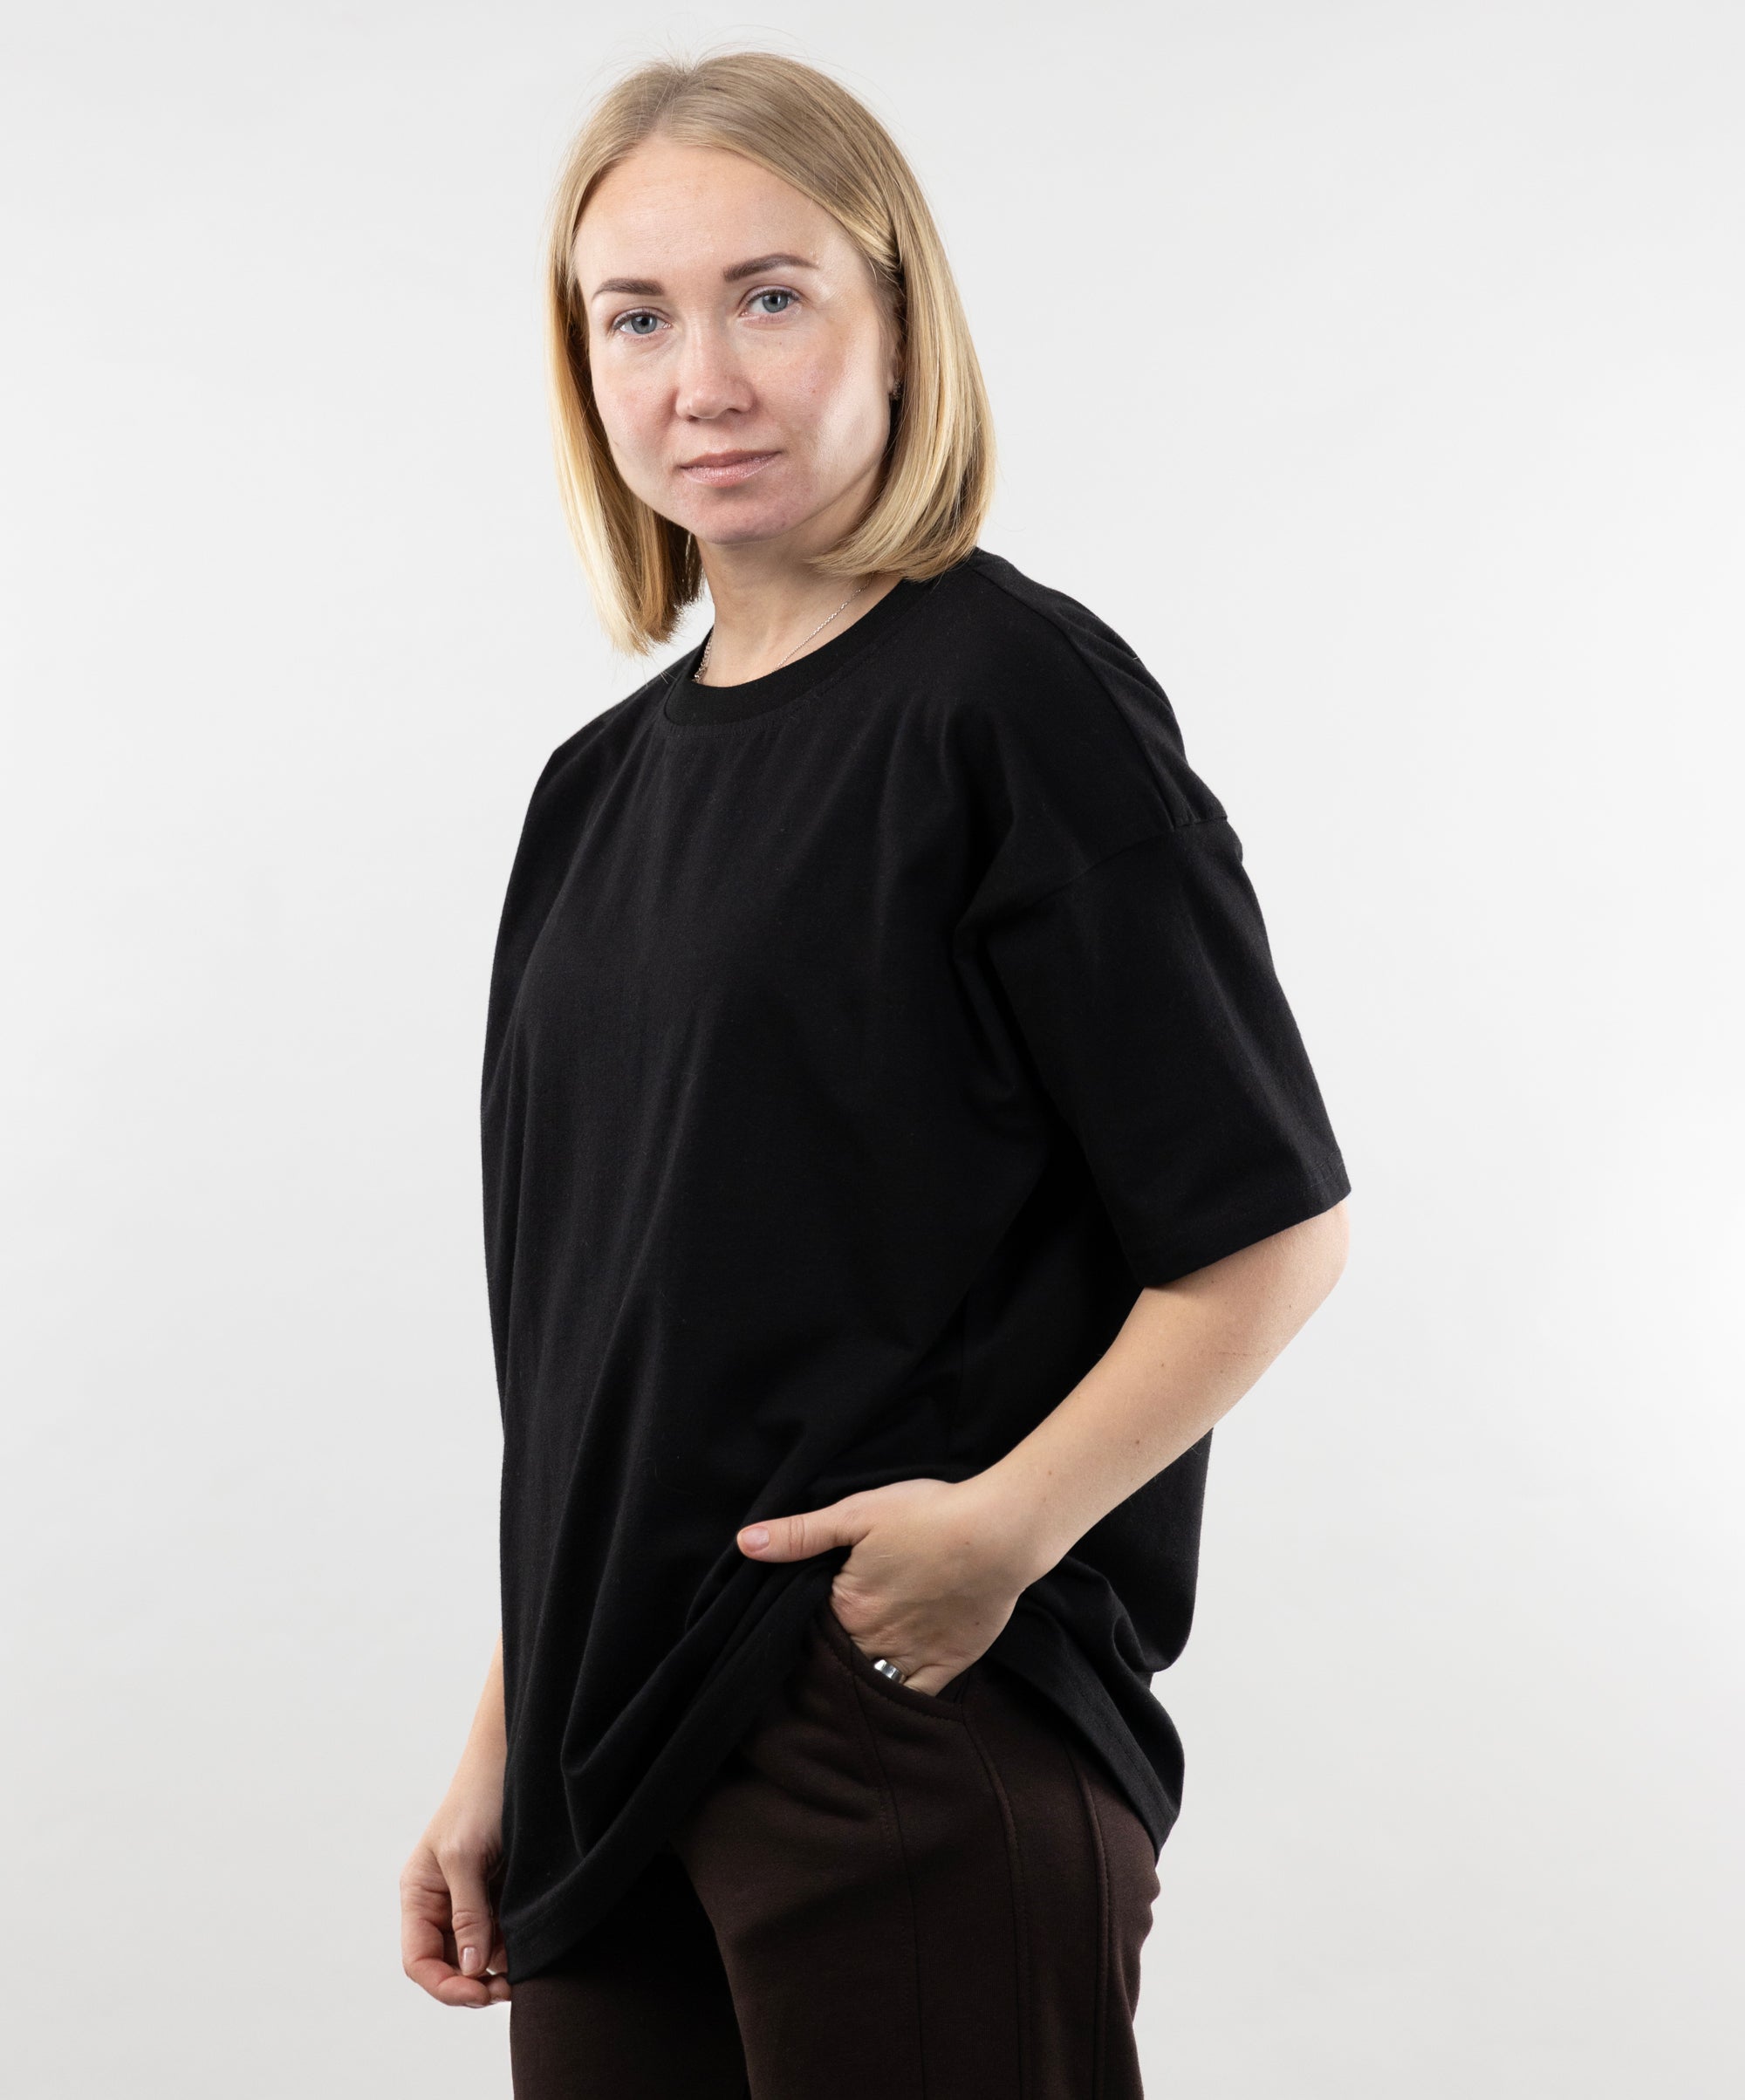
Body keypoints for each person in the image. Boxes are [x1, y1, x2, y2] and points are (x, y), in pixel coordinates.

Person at [398, 47, 1352, 2100]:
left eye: (770, 295)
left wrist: (998, 1532)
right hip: (600, 1767)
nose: (702, 380)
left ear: (899, 321)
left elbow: (1266, 1228)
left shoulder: (1010, 699)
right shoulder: (595, 794)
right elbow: (605, 1351)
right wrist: (502, 1736)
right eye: (635, 318)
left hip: (896, 1721)